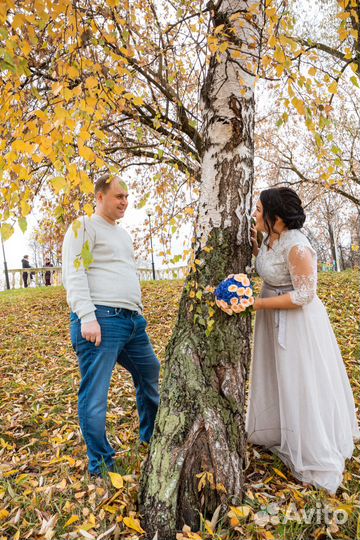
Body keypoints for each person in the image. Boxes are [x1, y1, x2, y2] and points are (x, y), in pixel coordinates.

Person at [246, 186, 359, 494]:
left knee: (299, 379)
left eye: (259, 210)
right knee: (276, 376)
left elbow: (306, 294)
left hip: (296, 321)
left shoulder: (298, 246)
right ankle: (279, 429)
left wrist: (256, 304)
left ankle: (311, 447)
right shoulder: (271, 238)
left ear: (276, 217)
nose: (255, 214)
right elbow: (269, 265)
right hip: (272, 315)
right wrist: (257, 248)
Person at [62, 174, 160, 477]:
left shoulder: (123, 234)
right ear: (100, 196)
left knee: (151, 371)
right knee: (95, 394)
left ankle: (151, 435)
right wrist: (87, 317)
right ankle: (101, 465)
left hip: (132, 323)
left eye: (127, 197)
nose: (124, 202)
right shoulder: (83, 227)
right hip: (100, 320)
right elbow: (74, 273)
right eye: (118, 196)